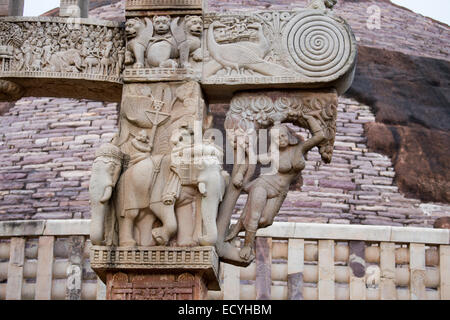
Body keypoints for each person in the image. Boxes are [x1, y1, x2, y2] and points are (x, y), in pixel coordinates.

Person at [226, 115, 326, 260]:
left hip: (280, 191)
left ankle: (239, 225)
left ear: (289, 136)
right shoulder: (274, 153)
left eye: (283, 136)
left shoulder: (300, 148)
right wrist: (245, 155)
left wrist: (307, 117)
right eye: (277, 138)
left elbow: (320, 136)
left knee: (266, 220)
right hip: (264, 184)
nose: (281, 140)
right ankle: (248, 245)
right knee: (254, 216)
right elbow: (254, 159)